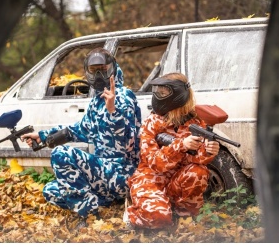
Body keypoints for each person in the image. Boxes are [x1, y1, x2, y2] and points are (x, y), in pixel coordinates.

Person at [21, 47, 142, 219]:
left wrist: (113, 111)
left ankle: (88, 212)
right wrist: (42, 136)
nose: (99, 75)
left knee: (60, 154)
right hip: (103, 176)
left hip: (123, 173)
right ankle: (100, 199)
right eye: (94, 71)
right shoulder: (98, 99)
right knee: (50, 191)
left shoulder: (123, 96)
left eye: (103, 70)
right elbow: (80, 130)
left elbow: (128, 142)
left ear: (112, 69)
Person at [124, 72, 220, 229]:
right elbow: (156, 164)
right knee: (158, 217)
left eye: (163, 92)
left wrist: (209, 151)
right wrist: (181, 145)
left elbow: (195, 160)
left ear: (178, 95)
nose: (158, 95)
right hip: (151, 180)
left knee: (198, 172)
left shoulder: (196, 122)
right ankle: (134, 213)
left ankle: (182, 214)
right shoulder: (152, 122)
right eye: (157, 92)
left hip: (176, 180)